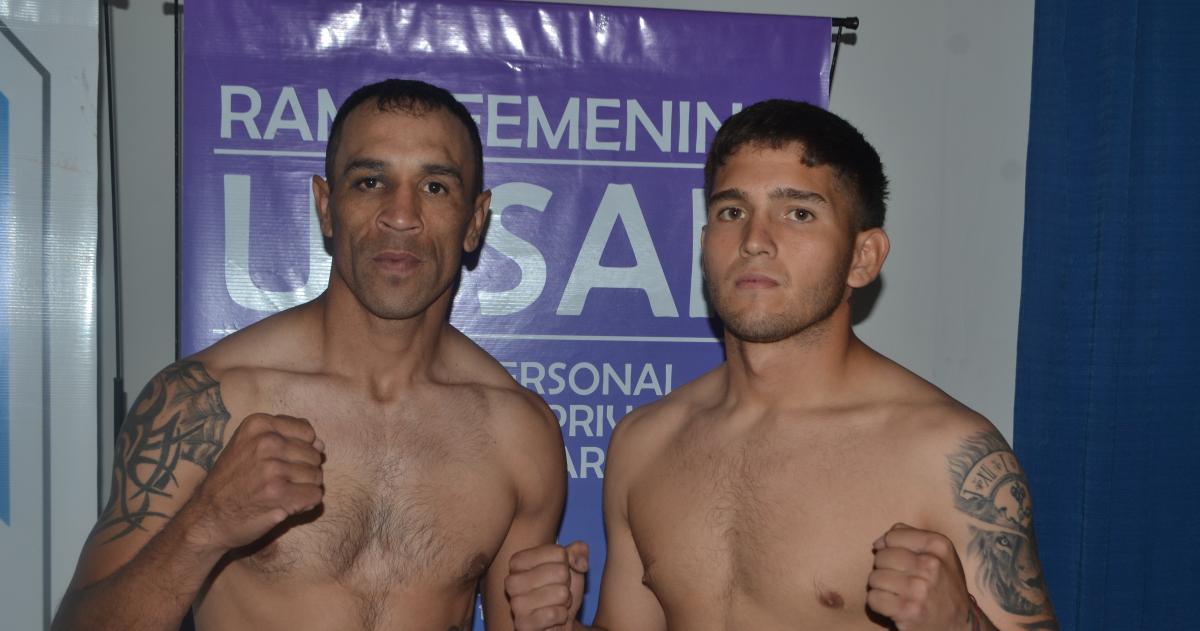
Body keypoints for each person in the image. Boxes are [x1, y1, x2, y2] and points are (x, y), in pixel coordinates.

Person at [506, 99, 1058, 631]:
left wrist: (960, 625)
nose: (755, 240)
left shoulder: (946, 453)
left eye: (798, 213)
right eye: (732, 211)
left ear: (863, 258)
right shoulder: (644, 442)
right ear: (705, 244)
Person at [53, 79, 566, 631]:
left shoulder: (518, 433)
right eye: (371, 181)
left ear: (475, 220)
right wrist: (205, 526)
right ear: (327, 207)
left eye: (435, 187)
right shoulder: (206, 404)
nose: (401, 215)